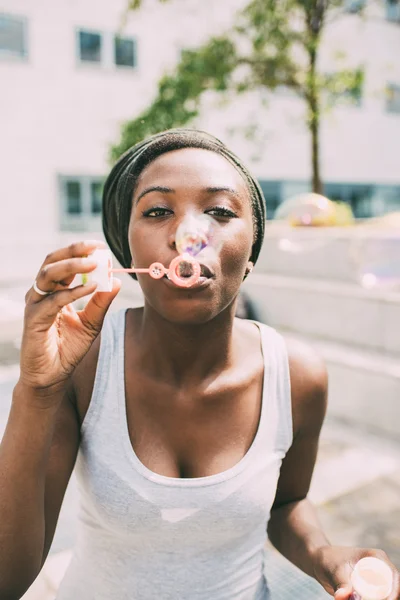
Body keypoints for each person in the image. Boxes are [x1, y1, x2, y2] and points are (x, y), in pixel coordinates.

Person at [0, 129, 398, 600]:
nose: (188, 234)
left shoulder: (297, 375)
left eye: (220, 212)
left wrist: (323, 555)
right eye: (157, 211)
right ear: (128, 251)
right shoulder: (84, 365)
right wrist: (37, 389)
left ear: (250, 253)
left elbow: (287, 502)